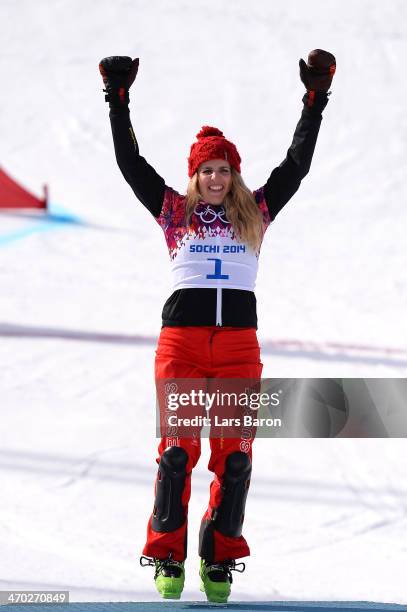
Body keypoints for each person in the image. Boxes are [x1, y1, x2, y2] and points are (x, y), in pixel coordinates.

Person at [99, 49, 336, 603]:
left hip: (237, 348)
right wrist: (117, 98)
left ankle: (219, 559)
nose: (215, 178)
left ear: (234, 175)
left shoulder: (256, 209)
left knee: (234, 457)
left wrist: (315, 98)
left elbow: (296, 165)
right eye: (207, 170)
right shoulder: (172, 212)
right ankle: (165, 555)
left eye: (223, 170)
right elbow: (129, 163)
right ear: (194, 175)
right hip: (181, 343)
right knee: (178, 451)